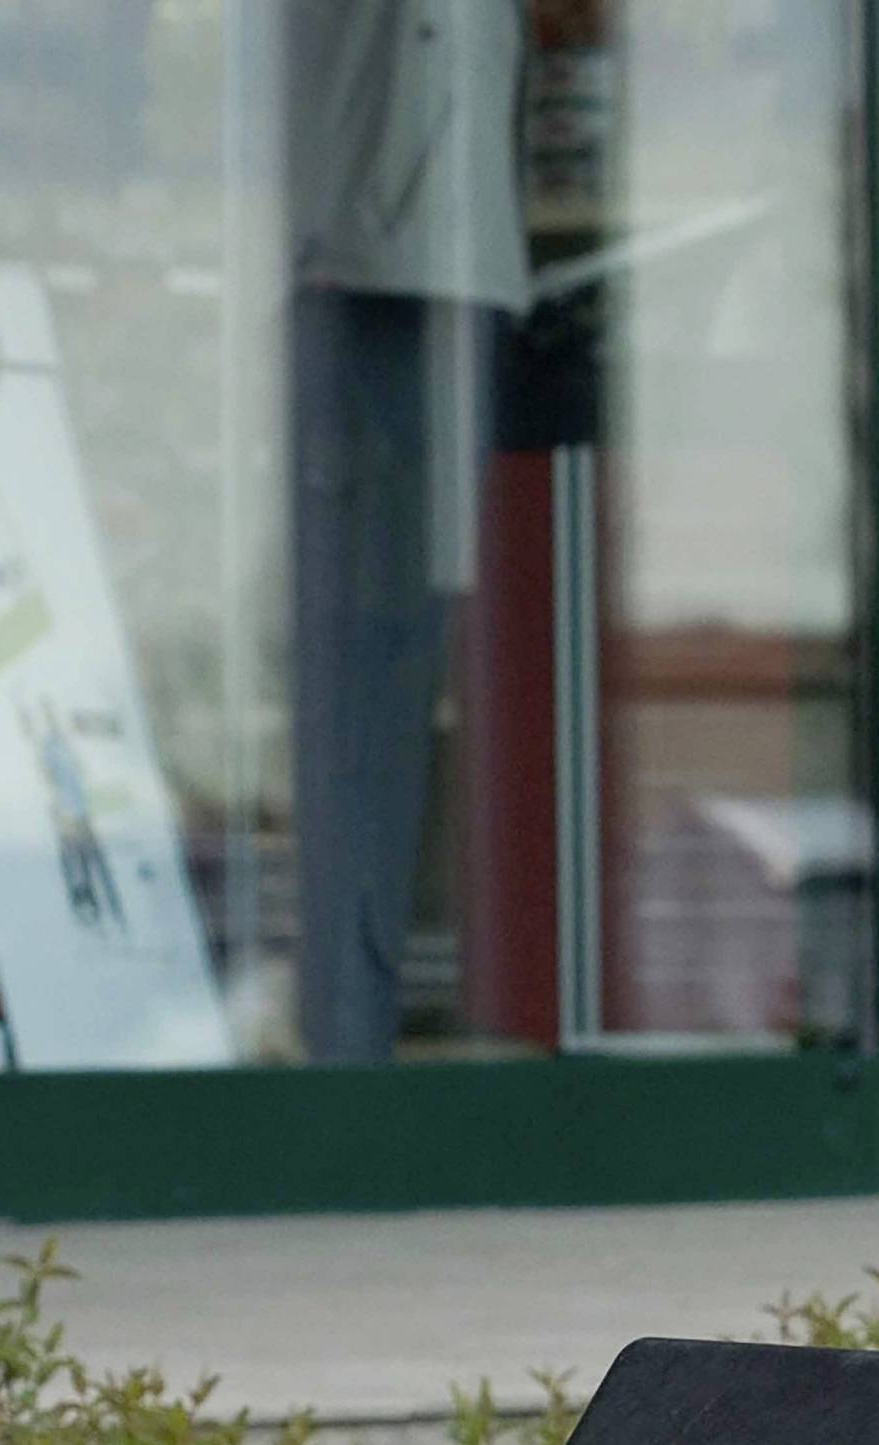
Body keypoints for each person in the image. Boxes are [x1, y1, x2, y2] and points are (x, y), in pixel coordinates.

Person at [285, 0, 531, 1063]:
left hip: (405, 256)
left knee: (380, 681)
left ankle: (352, 1032)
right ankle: (347, 1043)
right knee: (372, 683)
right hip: (391, 265)